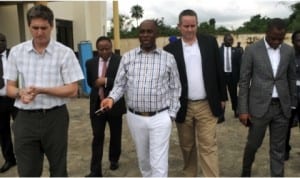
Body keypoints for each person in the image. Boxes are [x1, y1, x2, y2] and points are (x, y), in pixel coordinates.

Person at [3, 4, 84, 177]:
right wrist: (20, 93)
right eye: (35, 28)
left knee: (58, 169)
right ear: (28, 26)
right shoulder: (17, 52)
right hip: (24, 118)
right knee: (27, 171)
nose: (39, 32)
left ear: (52, 26)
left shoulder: (65, 53)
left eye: (44, 28)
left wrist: (42, 90)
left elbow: (72, 89)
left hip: (55, 118)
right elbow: (9, 88)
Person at [101, 19, 181, 177]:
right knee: (144, 161)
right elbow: (119, 85)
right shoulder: (128, 57)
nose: (145, 35)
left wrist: (171, 114)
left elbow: (175, 87)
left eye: (149, 31)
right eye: (142, 31)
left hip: (160, 117)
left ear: (156, 34)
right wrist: (111, 98)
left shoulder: (168, 58)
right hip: (135, 117)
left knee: (158, 162)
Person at [163, 9, 227, 177]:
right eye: (186, 26)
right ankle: (190, 174)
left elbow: (219, 70)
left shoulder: (209, 42)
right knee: (187, 146)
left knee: (208, 146)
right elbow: (167, 80)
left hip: (207, 104)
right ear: (179, 27)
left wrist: (222, 97)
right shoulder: (170, 49)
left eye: (193, 26)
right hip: (183, 105)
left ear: (197, 25)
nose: (190, 29)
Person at [238, 18, 296, 177]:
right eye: (273, 38)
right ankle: (246, 171)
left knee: (278, 149)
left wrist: (292, 105)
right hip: (259, 107)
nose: (276, 41)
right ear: (266, 33)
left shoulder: (289, 51)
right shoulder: (252, 50)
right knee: (253, 144)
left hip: (281, 108)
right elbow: (244, 81)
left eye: (280, 38)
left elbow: (291, 78)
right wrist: (243, 110)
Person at [85, 36, 126, 177]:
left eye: (107, 48)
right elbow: (91, 83)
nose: (104, 52)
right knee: (97, 136)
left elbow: (124, 81)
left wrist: (106, 80)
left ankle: (114, 159)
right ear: (97, 49)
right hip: (97, 105)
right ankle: (95, 171)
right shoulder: (90, 63)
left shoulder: (120, 61)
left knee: (115, 135)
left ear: (111, 47)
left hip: (115, 105)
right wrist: (97, 83)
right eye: (101, 49)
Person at [0, 33, 17, 173]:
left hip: (15, 99)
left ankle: (25, 154)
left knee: (20, 128)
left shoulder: (14, 55)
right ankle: (9, 159)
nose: (1, 43)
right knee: (3, 131)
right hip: (0, 101)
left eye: (3, 40)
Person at [218, 33, 242, 123]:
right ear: (224, 40)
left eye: (232, 40)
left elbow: (240, 65)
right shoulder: (218, 51)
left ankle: (236, 110)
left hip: (233, 76)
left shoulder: (237, 51)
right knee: (222, 96)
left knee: (234, 94)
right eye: (229, 39)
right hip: (222, 77)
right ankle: (221, 115)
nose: (231, 41)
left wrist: (240, 78)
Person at [285, 30, 300, 161]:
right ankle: (285, 149)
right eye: (298, 40)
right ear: (293, 41)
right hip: (291, 96)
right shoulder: (288, 56)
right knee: (286, 125)